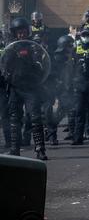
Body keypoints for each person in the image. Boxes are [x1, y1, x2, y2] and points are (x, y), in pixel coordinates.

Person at [2, 17, 49, 159]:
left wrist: (34, 61)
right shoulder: (11, 47)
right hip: (16, 87)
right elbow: (4, 66)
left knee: (35, 118)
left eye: (23, 32)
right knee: (15, 119)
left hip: (31, 87)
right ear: (15, 33)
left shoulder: (34, 47)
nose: (21, 35)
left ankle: (40, 149)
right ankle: (14, 149)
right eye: (18, 32)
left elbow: (42, 65)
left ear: (26, 32)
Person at [44, 35, 75, 145]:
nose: (71, 47)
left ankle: (52, 130)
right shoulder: (54, 57)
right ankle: (52, 135)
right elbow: (49, 71)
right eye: (69, 45)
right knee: (48, 111)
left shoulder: (73, 56)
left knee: (64, 110)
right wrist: (56, 81)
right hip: (53, 86)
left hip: (65, 88)